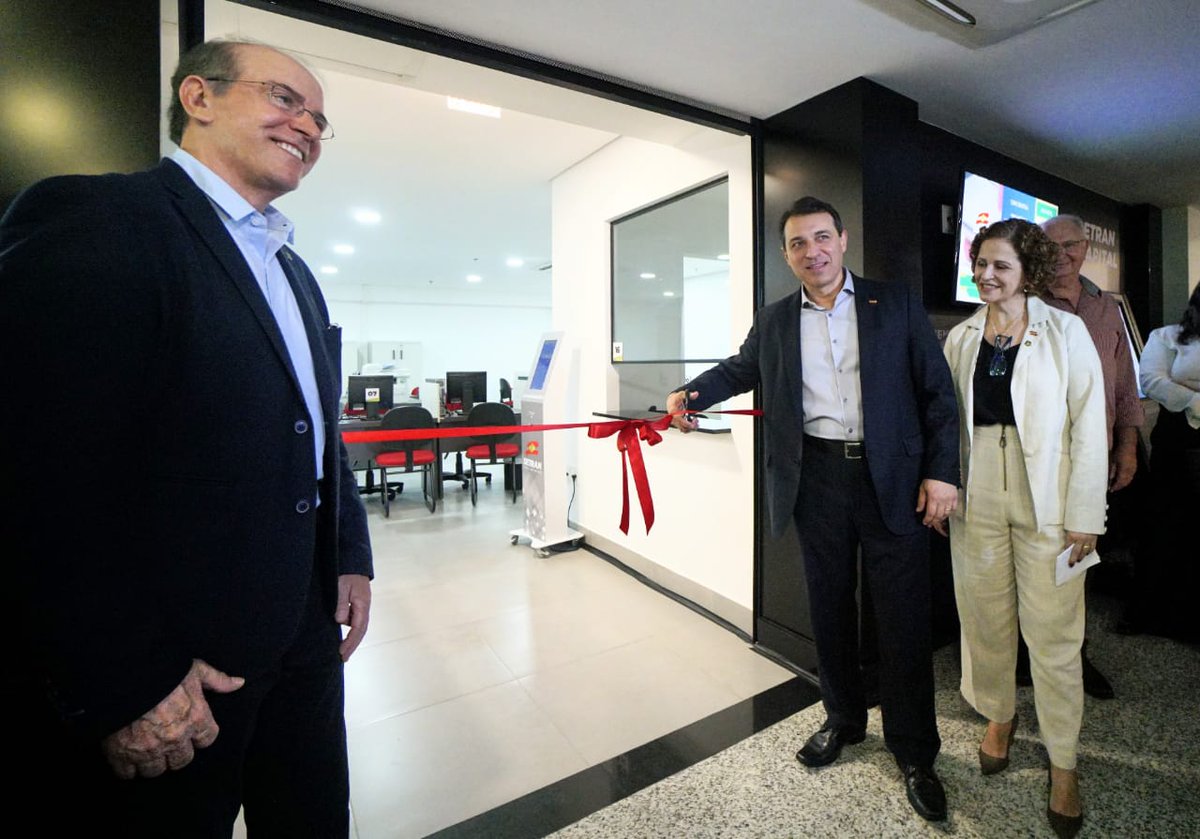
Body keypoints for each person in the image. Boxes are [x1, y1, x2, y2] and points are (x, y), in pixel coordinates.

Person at [0, 40, 373, 836]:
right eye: (285, 98)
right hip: (178, 667)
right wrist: (126, 674)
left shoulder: (295, 274)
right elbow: (37, 472)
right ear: (198, 97)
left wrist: (349, 555)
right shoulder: (101, 219)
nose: (308, 126)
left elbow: (316, 430)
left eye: (319, 118)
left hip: (304, 639)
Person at [667, 196, 960, 822]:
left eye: (822, 237)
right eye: (799, 243)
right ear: (786, 254)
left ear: (843, 239)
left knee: (902, 617)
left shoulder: (895, 303)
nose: (813, 252)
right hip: (816, 478)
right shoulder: (775, 319)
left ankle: (915, 751)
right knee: (828, 606)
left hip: (892, 477)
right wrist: (690, 393)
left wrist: (942, 473)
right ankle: (843, 719)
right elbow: (740, 369)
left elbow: (938, 393)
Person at [942, 219, 1106, 838]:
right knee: (984, 618)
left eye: (1000, 266)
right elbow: (945, 422)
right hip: (978, 490)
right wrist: (944, 486)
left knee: (1055, 634)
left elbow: (1089, 424)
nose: (986, 275)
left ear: (1027, 271)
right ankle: (1000, 717)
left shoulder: (1065, 331)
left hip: (1051, 498)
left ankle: (1064, 761)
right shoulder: (961, 337)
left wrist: (1086, 514)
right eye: (981, 264)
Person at [1033, 213, 1145, 698]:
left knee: (1078, 560)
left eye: (1071, 245)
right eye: (1051, 247)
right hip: (1039, 460)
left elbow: (1124, 385)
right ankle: (1031, 658)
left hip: (1094, 458)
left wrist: (1127, 445)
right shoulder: (1025, 302)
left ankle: (1075, 657)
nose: (1062, 255)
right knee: (1036, 561)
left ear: (1085, 248)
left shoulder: (1105, 307)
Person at [1138, 284, 1200, 641]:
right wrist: (1195, 402)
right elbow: (1151, 380)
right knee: (1169, 526)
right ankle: (1159, 614)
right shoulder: (1166, 336)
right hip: (1177, 443)